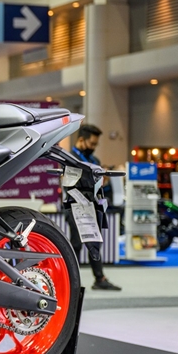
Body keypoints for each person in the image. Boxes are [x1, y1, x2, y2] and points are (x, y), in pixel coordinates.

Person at [70, 124, 121, 291]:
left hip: (93, 207)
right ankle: (71, 281)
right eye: (92, 144)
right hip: (75, 206)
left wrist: (105, 179)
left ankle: (99, 278)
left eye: (95, 144)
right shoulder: (70, 159)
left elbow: (99, 187)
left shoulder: (94, 161)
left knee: (95, 243)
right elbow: (69, 184)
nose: (93, 147)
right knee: (76, 244)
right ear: (81, 140)